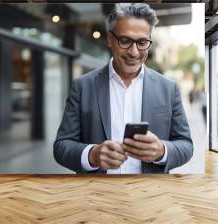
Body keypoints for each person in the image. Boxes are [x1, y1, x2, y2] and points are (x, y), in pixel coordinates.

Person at [53, 3, 193, 174]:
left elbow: (186, 145)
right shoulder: (82, 86)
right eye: (125, 41)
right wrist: (92, 155)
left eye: (142, 42)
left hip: (150, 194)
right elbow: (61, 147)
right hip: (96, 195)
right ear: (110, 39)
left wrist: (161, 150)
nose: (134, 52)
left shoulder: (169, 88)